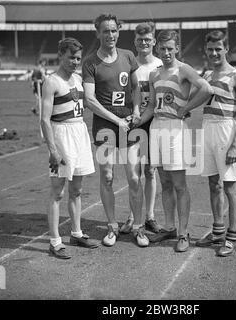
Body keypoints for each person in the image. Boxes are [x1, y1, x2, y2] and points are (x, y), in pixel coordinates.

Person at [138, 30, 213, 252]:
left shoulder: (184, 69)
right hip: (157, 127)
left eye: (170, 48)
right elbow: (151, 106)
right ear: (157, 49)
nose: (167, 52)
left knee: (179, 184)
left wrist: (185, 108)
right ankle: (169, 227)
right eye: (163, 48)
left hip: (175, 129)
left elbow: (206, 89)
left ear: (177, 48)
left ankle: (183, 233)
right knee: (165, 182)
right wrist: (136, 122)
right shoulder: (154, 74)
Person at [82, 14, 148, 248]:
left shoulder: (128, 56)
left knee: (133, 176)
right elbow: (89, 100)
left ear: (119, 31)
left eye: (114, 30)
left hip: (129, 123)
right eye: (105, 31)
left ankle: (138, 227)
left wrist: (138, 110)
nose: (110, 35)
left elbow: (135, 87)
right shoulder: (90, 62)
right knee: (108, 176)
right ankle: (111, 226)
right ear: (97, 33)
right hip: (105, 126)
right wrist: (115, 120)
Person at [41, 38, 100, 259]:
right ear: (60, 56)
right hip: (61, 136)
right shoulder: (51, 82)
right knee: (58, 191)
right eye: (71, 57)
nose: (75, 61)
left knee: (77, 190)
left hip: (79, 133)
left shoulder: (78, 79)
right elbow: (45, 120)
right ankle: (55, 241)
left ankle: (76, 233)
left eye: (77, 58)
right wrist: (53, 150)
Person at [193, 30, 236, 257]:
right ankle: (217, 231)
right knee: (212, 183)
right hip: (207, 128)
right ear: (205, 50)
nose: (214, 53)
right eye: (210, 49)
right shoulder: (206, 76)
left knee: (230, 187)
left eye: (218, 49)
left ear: (226, 49)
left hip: (227, 131)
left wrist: (235, 144)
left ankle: (232, 236)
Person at [119, 21, 163, 235]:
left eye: (147, 39)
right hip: (134, 122)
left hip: (154, 124)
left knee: (150, 171)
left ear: (154, 41)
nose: (144, 43)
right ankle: (131, 216)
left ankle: (150, 217)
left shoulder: (161, 65)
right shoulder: (128, 64)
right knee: (133, 174)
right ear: (134, 42)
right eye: (139, 40)